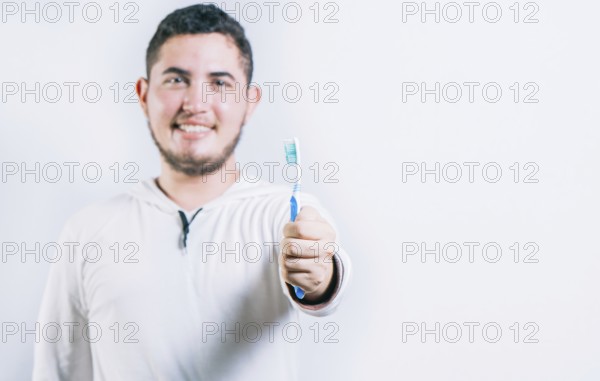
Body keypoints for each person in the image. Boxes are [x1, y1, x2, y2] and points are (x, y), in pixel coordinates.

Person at [33, 4, 351, 380]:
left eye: (219, 83)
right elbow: (58, 370)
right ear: (143, 94)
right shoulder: (87, 231)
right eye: (176, 79)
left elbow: (324, 279)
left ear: (250, 103)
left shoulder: (285, 215)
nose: (196, 104)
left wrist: (319, 276)